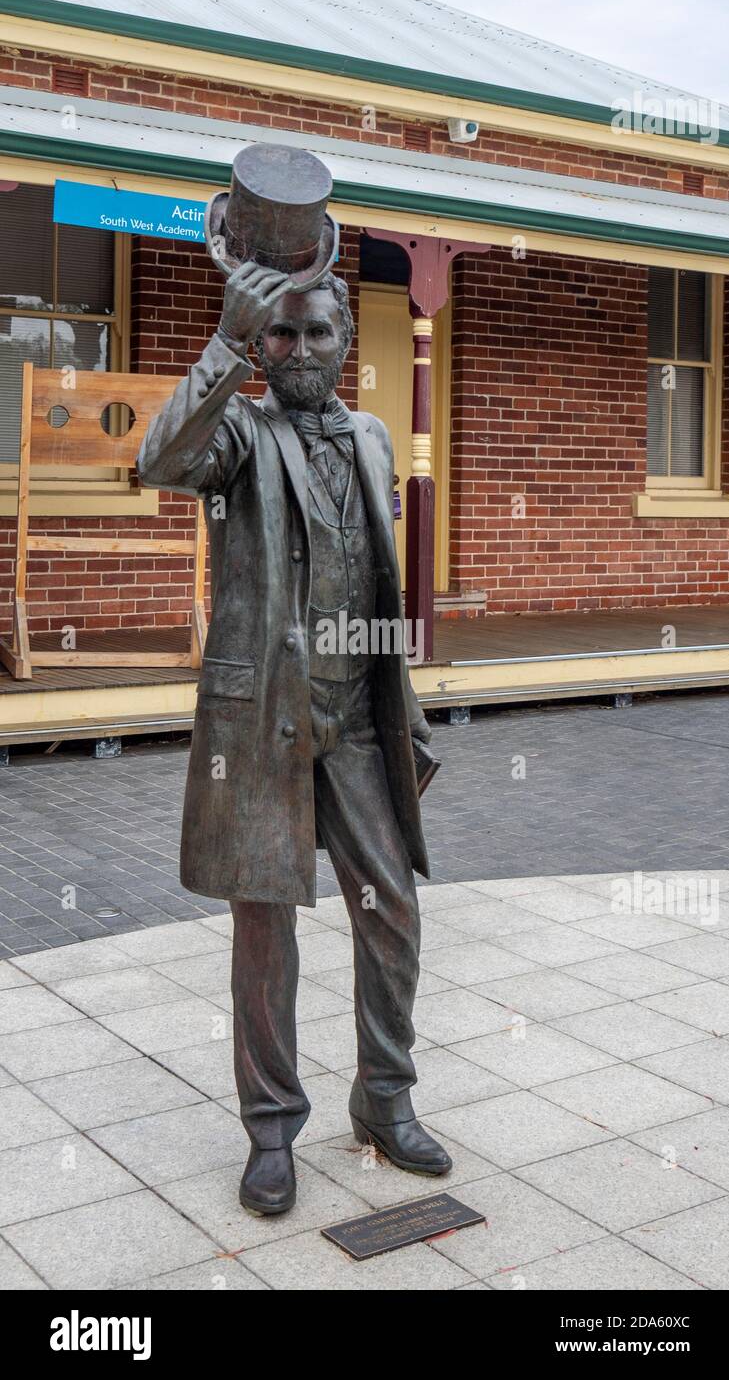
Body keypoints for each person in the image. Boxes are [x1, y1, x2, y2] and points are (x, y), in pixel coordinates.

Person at [137, 259, 451, 1215]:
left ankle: (384, 1100)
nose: (302, 351)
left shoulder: (369, 434)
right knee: (265, 927)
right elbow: (158, 460)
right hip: (263, 719)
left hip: (356, 716)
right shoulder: (236, 430)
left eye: (318, 333)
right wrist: (225, 343)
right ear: (260, 343)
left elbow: (372, 572)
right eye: (281, 334)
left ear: (346, 337)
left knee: (390, 909)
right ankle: (271, 1129)